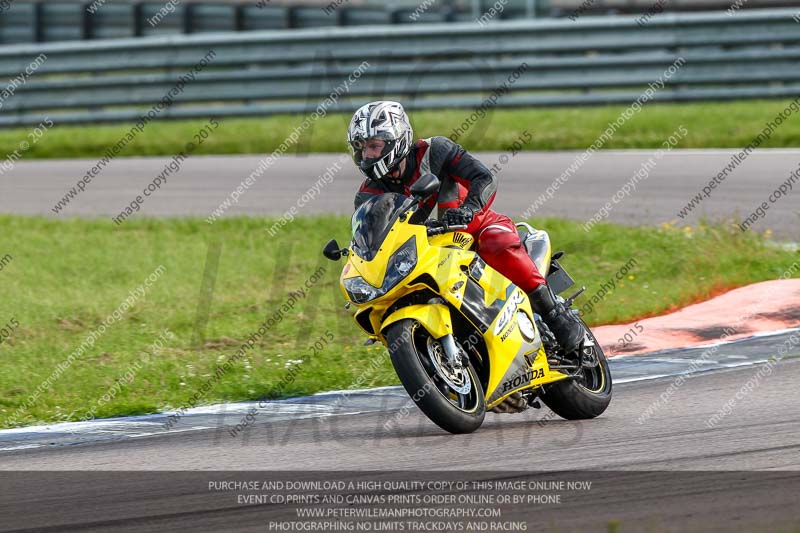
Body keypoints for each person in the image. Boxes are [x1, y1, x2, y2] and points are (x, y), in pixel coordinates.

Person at [348, 100, 583, 353]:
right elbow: (375, 239)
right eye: (361, 148)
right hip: (429, 251)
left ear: (397, 138)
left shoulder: (434, 151)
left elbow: (483, 177)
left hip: (474, 227)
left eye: (374, 146)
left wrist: (469, 209)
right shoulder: (367, 194)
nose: (368, 155)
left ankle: (554, 314)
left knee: (497, 242)